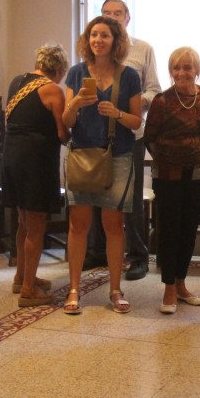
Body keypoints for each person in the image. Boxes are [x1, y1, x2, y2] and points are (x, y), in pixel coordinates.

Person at [63, 16, 142, 315]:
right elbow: (66, 121)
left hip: (118, 156)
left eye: (104, 35)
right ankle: (73, 289)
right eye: (93, 35)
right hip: (82, 155)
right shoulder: (76, 73)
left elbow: (136, 122)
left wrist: (116, 114)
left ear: (116, 40)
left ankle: (115, 289)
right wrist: (76, 104)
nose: (98, 40)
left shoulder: (129, 76)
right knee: (78, 225)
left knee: (113, 225)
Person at [83, 0, 161, 280]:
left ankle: (138, 255)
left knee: (131, 198)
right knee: (96, 193)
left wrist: (135, 103)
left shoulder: (143, 49)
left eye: (117, 13)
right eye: (106, 13)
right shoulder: (94, 51)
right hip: (96, 135)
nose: (112, 17)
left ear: (127, 18)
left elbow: (154, 89)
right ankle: (97, 251)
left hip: (130, 134)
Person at [145, 47, 200, 313]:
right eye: (177, 67)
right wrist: (169, 158)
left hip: (199, 173)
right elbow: (150, 138)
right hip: (168, 175)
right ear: (170, 72)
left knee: (189, 229)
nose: (182, 72)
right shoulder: (161, 101)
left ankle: (182, 284)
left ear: (197, 70)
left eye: (187, 67)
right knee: (169, 230)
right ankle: (169, 288)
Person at [1, 43, 69, 308]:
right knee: (37, 225)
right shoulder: (52, 89)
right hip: (35, 161)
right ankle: (29, 290)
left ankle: (21, 276)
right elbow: (62, 133)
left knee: (23, 222)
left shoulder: (17, 82)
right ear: (59, 69)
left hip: (12, 156)